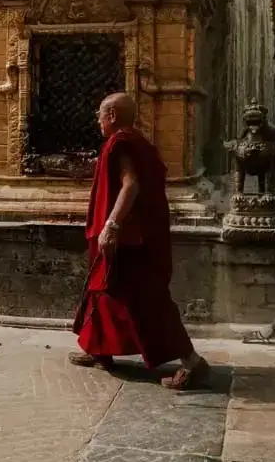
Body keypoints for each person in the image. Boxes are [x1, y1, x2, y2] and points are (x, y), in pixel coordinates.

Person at [70, 92, 209, 390]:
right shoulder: (139, 142)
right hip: (134, 234)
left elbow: (131, 184)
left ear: (111, 116)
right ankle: (100, 350)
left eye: (99, 114)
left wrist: (112, 224)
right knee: (103, 289)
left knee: (146, 299)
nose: (97, 120)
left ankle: (192, 362)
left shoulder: (123, 143)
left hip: (130, 238)